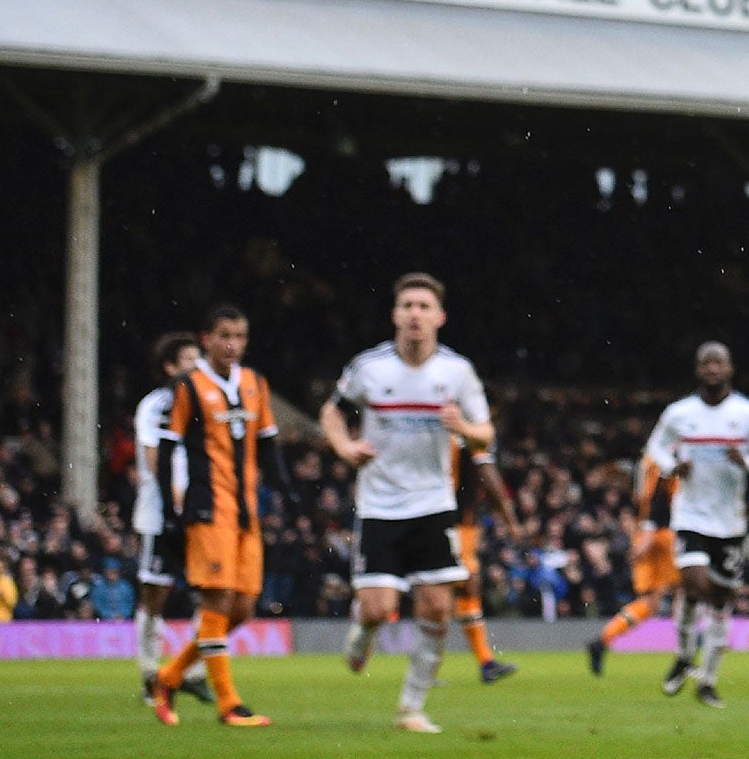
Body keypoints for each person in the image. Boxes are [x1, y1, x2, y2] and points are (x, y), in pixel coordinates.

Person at [320, 272, 493, 735]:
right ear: (395, 315)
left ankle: (411, 708)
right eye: (407, 306)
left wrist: (462, 428)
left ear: (440, 317)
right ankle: (364, 628)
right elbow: (332, 410)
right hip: (379, 504)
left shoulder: (456, 371)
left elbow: (486, 432)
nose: (415, 314)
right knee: (379, 608)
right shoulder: (370, 367)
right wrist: (342, 446)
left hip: (434, 503)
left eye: (423, 306)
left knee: (437, 609)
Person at [149, 305, 291, 728]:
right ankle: (229, 705)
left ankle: (169, 676)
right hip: (208, 510)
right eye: (224, 335)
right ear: (206, 338)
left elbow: (268, 443)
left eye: (240, 336)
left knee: (243, 609)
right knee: (217, 601)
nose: (233, 344)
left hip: (247, 513)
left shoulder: (254, 383)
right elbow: (168, 448)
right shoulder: (188, 386)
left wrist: (290, 496)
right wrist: (169, 510)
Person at [645, 342, 749, 709]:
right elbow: (655, 448)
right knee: (695, 583)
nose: (711, 368)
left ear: (730, 368)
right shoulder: (680, 413)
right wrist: (672, 466)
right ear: (697, 369)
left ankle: (707, 678)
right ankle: (685, 652)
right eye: (705, 361)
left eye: (718, 361)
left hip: (731, 523)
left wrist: (747, 461)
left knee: (718, 599)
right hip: (689, 516)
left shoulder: (748, 414)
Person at [131, 331, 211, 706]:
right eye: (188, 361)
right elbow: (153, 457)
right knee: (154, 595)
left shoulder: (204, 403)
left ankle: (192, 672)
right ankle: (149, 672)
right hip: (160, 514)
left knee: (208, 593)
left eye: (199, 360)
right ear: (169, 367)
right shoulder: (155, 405)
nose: (197, 367)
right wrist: (174, 500)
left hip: (199, 513)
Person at [586, 459, 681, 674]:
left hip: (645, 532)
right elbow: (661, 497)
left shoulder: (647, 461)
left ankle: (602, 641)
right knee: (686, 591)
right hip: (665, 533)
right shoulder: (668, 459)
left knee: (650, 601)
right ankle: (686, 655)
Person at [450, 434, 523, 683]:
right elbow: (488, 476)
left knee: (465, 590)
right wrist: (510, 518)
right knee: (451, 588)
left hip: (461, 524)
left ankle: (485, 662)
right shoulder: (469, 435)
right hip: (452, 524)